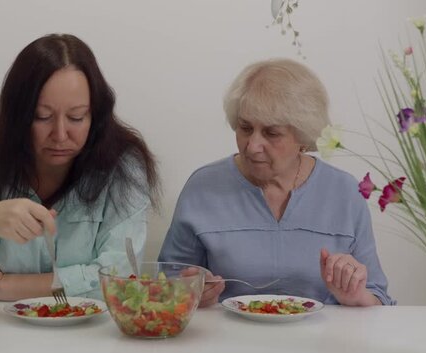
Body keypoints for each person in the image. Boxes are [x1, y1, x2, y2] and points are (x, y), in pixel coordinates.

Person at [0, 34, 159, 305]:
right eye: (43, 117)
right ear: (18, 115)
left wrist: (2, 284)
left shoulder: (123, 168)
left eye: (76, 117)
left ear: (95, 115)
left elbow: (121, 281)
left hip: (92, 340)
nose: (60, 134)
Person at [159, 58, 395, 307]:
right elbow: (165, 284)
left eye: (271, 133)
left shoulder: (344, 192)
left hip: (322, 342)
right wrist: (189, 291)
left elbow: (378, 298)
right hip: (228, 341)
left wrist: (355, 296)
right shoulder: (203, 187)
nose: (253, 146)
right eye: (245, 128)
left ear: (304, 137)